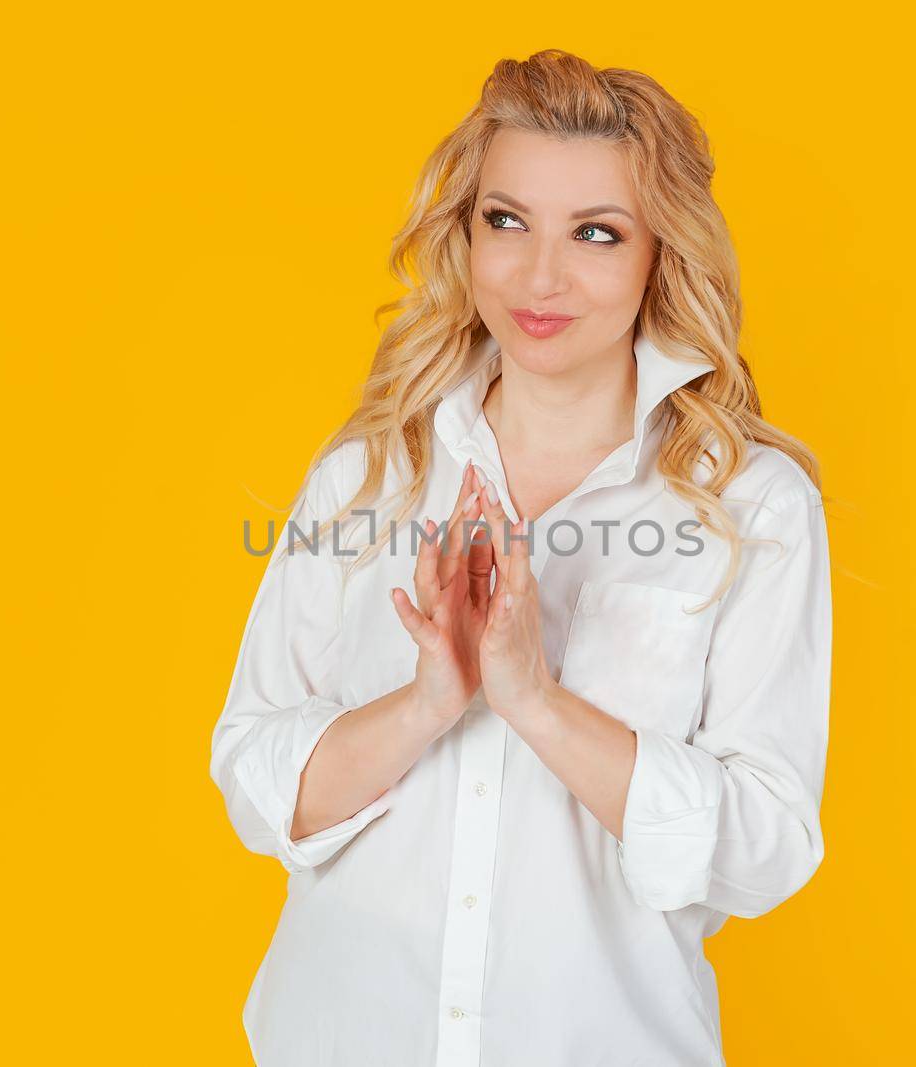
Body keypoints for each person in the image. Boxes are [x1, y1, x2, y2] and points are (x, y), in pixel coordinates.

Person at [209, 49, 833, 1067]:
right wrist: (426, 700)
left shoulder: (749, 506)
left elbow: (762, 846)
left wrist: (535, 698)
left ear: (657, 253)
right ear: (466, 231)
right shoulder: (368, 475)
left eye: (595, 232)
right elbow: (254, 777)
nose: (540, 276)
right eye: (506, 220)